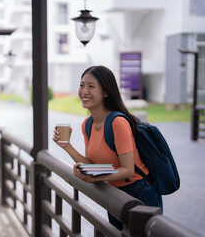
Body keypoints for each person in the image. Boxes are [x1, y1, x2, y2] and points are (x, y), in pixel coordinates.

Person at [52, 65, 163, 230]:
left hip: (139, 193)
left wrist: (94, 178)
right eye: (82, 85)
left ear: (105, 92)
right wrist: (66, 146)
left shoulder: (118, 123)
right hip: (114, 192)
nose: (84, 91)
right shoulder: (88, 124)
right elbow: (90, 163)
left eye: (91, 86)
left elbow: (127, 169)